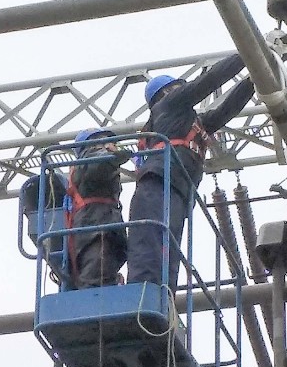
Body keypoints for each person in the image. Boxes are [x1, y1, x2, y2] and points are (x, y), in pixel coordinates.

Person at [127, 55, 256, 288]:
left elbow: (226, 110)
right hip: (158, 183)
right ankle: (144, 297)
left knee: (169, 252)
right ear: (167, 92)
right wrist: (248, 55)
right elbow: (209, 80)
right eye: (179, 87)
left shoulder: (189, 122)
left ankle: (163, 299)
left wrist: (253, 80)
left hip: (176, 188)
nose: (184, 90)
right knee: (151, 248)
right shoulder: (168, 105)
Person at [66, 128, 129, 289]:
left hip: (100, 225)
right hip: (96, 226)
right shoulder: (90, 157)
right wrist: (112, 158)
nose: (114, 145)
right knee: (96, 279)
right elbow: (97, 165)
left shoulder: (87, 163)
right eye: (109, 141)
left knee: (101, 274)